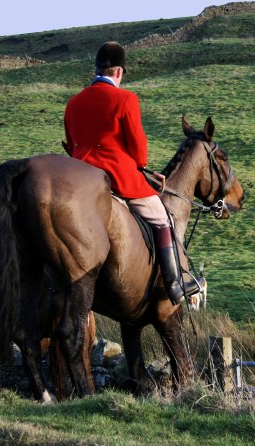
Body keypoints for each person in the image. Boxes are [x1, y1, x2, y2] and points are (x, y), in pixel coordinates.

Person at [63, 41, 202, 305]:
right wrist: (139, 166)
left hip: (81, 176)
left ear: (96, 70)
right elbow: (139, 154)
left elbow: (71, 146)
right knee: (164, 219)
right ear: (118, 72)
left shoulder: (73, 103)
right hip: (117, 177)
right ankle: (175, 282)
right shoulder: (126, 99)